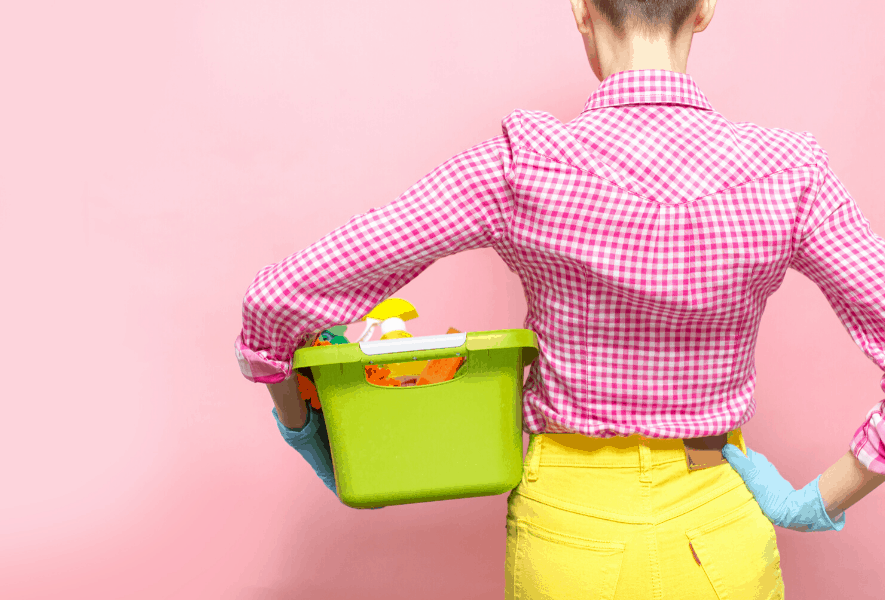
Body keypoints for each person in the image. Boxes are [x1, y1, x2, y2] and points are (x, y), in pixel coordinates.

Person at [235, 0, 885, 596]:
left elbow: (276, 300)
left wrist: (309, 431)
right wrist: (817, 501)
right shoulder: (790, 174)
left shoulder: (521, 165)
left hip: (569, 532)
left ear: (581, 8)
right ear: (705, 8)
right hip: (718, 522)